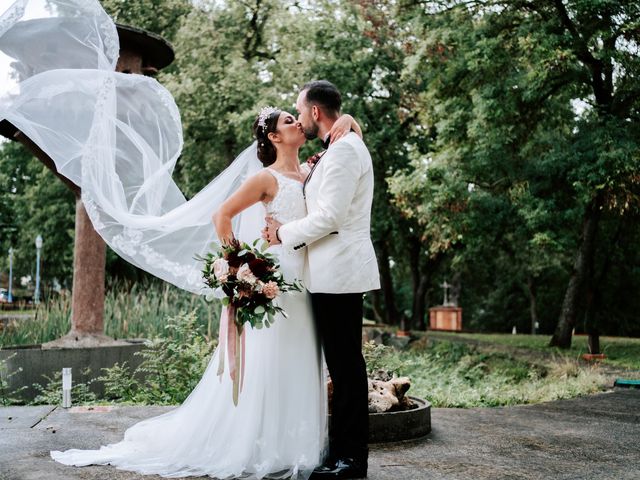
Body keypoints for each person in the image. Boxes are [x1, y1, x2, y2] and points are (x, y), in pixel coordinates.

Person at [264, 80, 380, 480]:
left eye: (300, 110)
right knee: (341, 365)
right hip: (328, 273)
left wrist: (281, 234)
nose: (297, 117)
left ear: (316, 112)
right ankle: (342, 454)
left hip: (340, 272)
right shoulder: (338, 146)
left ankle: (352, 461)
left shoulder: (345, 150)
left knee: (347, 366)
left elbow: (330, 217)